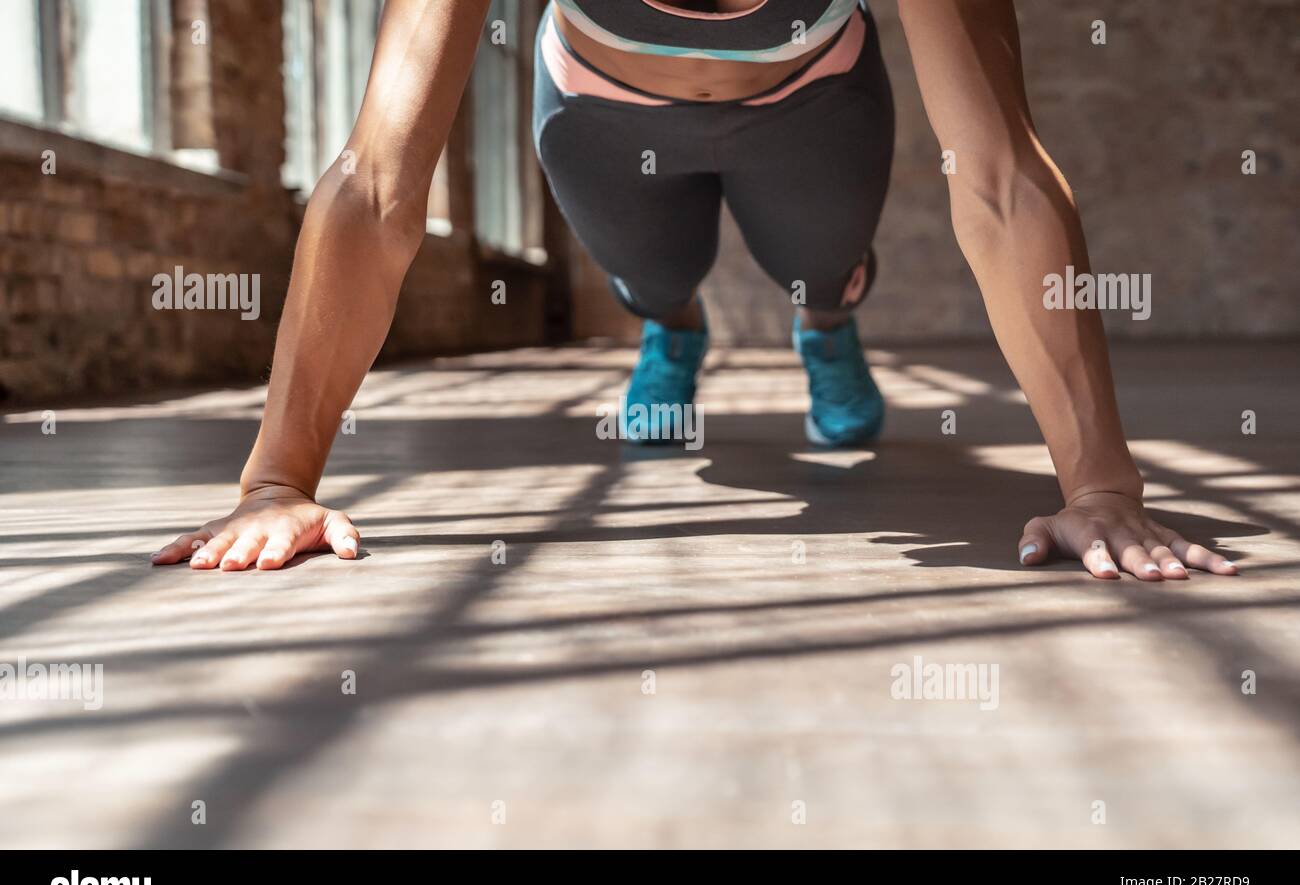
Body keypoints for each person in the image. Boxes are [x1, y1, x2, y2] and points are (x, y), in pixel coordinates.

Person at [150, 0, 1239, 582]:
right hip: (601, 108)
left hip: (811, 100)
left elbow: (1000, 177)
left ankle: (827, 317)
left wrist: (1103, 485)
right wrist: (273, 481)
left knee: (818, 258)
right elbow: (377, 179)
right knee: (656, 275)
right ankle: (669, 329)